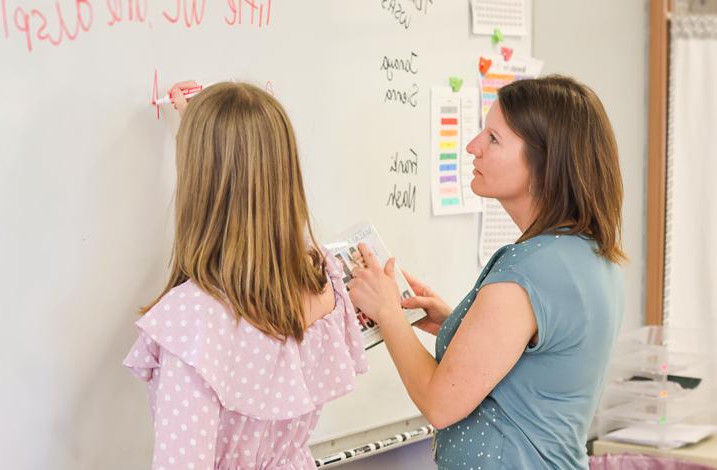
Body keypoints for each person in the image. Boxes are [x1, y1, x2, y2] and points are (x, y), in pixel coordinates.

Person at [346, 75, 626, 469]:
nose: (472, 147)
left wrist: (389, 312)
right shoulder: (589, 254)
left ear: (545, 163)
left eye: (494, 139)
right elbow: (536, 364)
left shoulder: (530, 270)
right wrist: (454, 322)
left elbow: (440, 404)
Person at [123, 81, 368, 469]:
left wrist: (208, 139)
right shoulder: (321, 276)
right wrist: (209, 130)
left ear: (199, 180)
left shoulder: (193, 323)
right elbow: (255, 187)